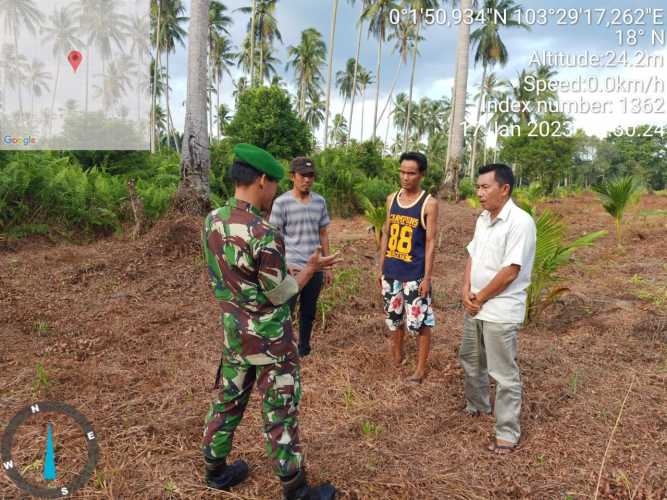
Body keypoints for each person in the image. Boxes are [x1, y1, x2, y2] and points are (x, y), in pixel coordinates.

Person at [201, 143, 340, 499]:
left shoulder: (212, 220)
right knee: (280, 411)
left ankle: (215, 469)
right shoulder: (263, 232)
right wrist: (309, 269)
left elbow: (236, 275)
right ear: (261, 180)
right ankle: (295, 489)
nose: (275, 190)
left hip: (234, 336)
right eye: (274, 183)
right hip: (269, 341)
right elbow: (281, 294)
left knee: (228, 401)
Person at [459, 163, 536, 455]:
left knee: (503, 374)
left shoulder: (520, 222)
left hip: (500, 309)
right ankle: (477, 405)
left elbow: (511, 271)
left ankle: (506, 433)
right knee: (470, 357)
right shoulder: (484, 218)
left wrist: (481, 298)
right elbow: (472, 254)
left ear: (504, 189)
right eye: (477, 187)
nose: (478, 193)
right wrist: (466, 289)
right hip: (476, 304)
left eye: (484, 187)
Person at [378, 151, 438, 383]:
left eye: (411, 173)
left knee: (420, 321)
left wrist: (427, 277)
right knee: (394, 317)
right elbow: (386, 232)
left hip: (414, 273)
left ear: (421, 174)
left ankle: (420, 368)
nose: (405, 177)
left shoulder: (428, 203)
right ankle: (397, 355)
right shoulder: (392, 199)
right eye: (402, 172)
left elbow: (431, 241)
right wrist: (381, 266)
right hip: (391, 271)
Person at [269, 157, 332, 357]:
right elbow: (274, 236)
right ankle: (284, 347)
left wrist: (328, 266)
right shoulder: (281, 203)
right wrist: (282, 263)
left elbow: (323, 233)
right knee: (286, 310)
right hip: (292, 268)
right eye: (303, 175)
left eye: (311, 175)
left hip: (315, 267)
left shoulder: (320, 202)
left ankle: (304, 348)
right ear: (292, 176)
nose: (307, 180)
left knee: (309, 310)